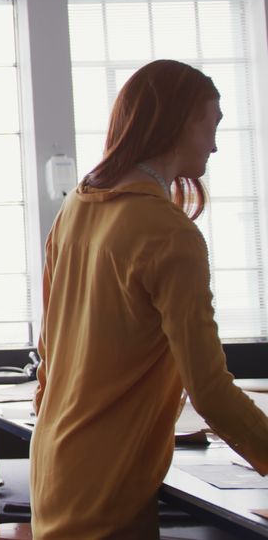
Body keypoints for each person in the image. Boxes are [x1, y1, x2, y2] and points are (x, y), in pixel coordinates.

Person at [29, 59, 268, 538]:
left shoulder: (76, 206)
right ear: (181, 121)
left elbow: (48, 356)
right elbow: (211, 393)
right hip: (109, 483)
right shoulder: (168, 234)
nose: (216, 144)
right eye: (212, 124)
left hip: (55, 466)